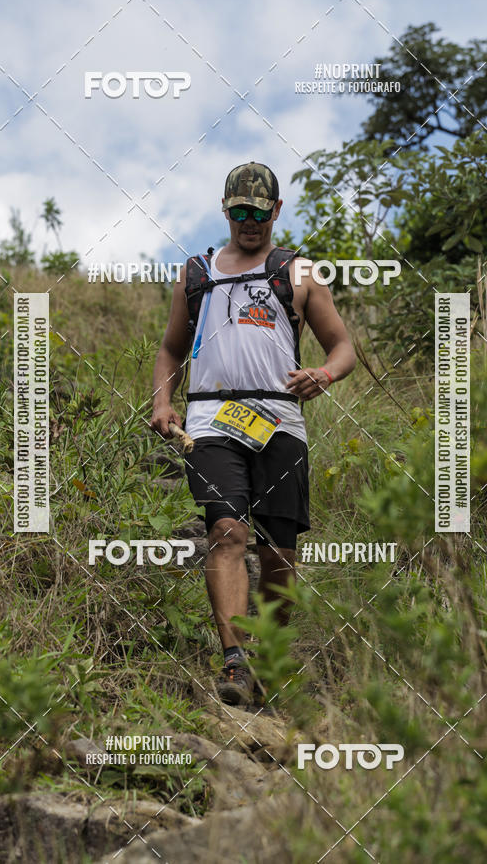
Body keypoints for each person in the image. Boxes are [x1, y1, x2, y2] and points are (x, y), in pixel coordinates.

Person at [150, 162, 356, 706]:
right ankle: (236, 663)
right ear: (224, 211)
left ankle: (267, 655)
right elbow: (172, 348)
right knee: (227, 532)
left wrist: (325, 372)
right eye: (238, 212)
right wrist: (163, 401)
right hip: (210, 420)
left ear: (276, 212)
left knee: (278, 556)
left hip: (280, 423)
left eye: (258, 214)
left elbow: (344, 348)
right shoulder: (196, 273)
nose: (248, 222)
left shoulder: (299, 274)